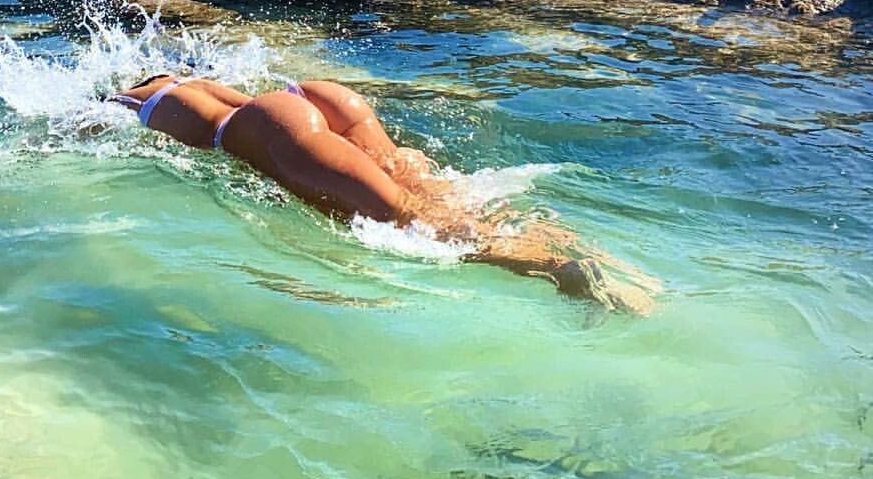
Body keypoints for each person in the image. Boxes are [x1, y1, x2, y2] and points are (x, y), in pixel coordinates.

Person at [113, 72, 656, 311]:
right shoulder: (193, 85)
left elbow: (89, 132)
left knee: (409, 219)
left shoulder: (129, 101)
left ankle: (562, 271)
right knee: (439, 199)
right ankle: (578, 248)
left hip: (269, 128)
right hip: (311, 98)